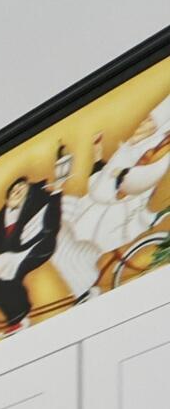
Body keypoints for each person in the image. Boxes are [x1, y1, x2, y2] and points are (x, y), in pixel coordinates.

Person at [53, 112, 170, 302]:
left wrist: (113, 177)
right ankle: (82, 287)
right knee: (62, 239)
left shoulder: (155, 155)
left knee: (72, 250)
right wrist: (99, 154)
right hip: (98, 208)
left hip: (116, 215)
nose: (142, 124)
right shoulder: (136, 146)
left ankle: (85, 288)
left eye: (148, 122)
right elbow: (104, 181)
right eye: (145, 120)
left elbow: (113, 187)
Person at [0, 174, 62, 326]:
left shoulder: (40, 203)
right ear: (7, 198)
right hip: (12, 252)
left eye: (22, 187)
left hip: (36, 246)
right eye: (14, 189)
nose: (17, 190)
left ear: (29, 191)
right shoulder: (2, 218)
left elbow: (53, 224)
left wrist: (56, 194)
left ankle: (19, 316)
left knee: (10, 275)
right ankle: (14, 315)